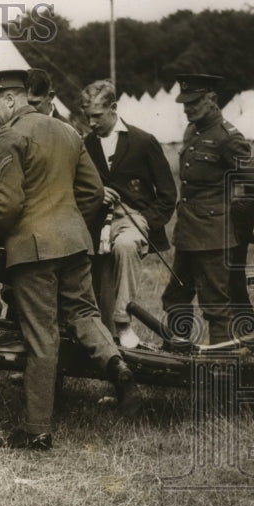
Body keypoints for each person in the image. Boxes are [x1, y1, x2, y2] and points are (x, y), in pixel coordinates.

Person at [0, 69, 141, 450]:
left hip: (33, 252)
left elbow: (8, 205)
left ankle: (37, 428)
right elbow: (93, 192)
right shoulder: (69, 132)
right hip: (75, 242)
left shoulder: (10, 137)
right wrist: (71, 224)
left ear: (11, 99)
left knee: (41, 336)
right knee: (84, 314)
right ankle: (116, 364)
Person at [161, 74, 254, 346]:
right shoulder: (192, 131)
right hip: (187, 232)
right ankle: (178, 353)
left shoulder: (227, 138)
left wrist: (234, 222)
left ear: (211, 99)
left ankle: (221, 368)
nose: (187, 108)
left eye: (194, 102)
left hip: (212, 237)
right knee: (175, 296)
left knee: (215, 305)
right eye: (184, 102)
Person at [80, 80, 177, 348]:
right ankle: (94, 334)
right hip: (93, 221)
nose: (91, 123)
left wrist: (146, 222)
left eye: (97, 116)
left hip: (132, 220)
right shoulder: (83, 144)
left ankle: (123, 323)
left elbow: (168, 194)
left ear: (113, 108)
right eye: (87, 116)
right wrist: (97, 194)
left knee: (125, 245)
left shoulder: (143, 141)